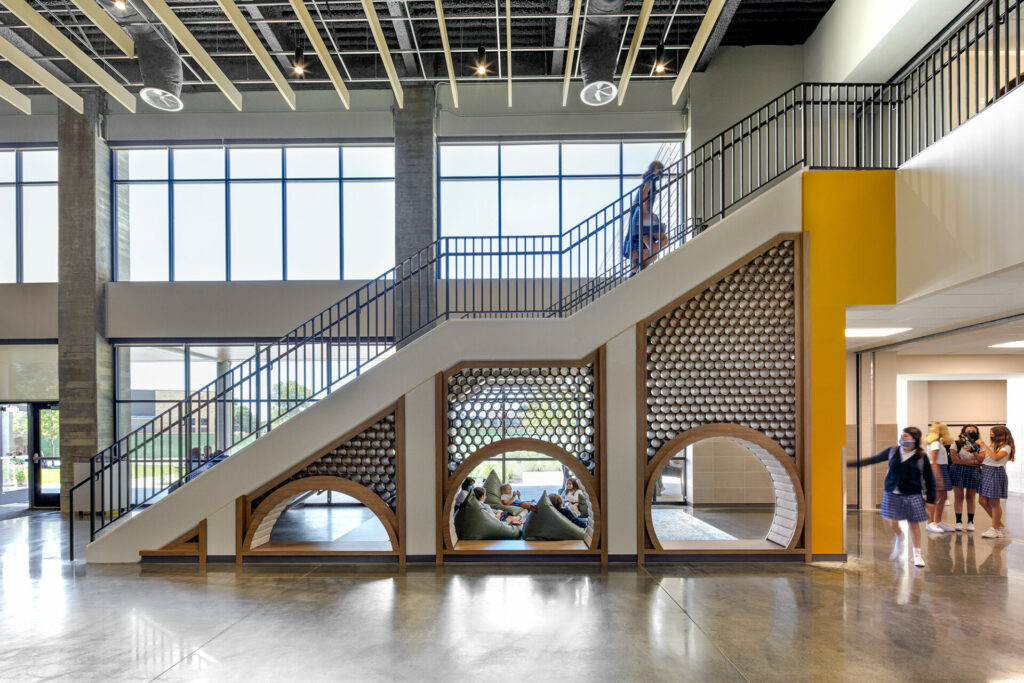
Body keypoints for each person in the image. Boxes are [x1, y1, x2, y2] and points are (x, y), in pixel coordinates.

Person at [848, 427, 936, 567]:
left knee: (913, 524)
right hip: (892, 492)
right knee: (890, 520)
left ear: (914, 439)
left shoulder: (921, 456)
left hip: (912, 493)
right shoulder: (893, 451)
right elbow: (873, 459)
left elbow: (930, 478)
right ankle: (899, 536)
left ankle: (917, 554)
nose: (902, 438)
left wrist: (931, 500)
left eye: (906, 436)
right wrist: (850, 464)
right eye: (902, 435)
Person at [622, 161, 666, 276]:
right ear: (654, 169)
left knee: (653, 250)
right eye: (659, 168)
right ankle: (642, 262)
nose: (661, 171)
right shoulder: (650, 179)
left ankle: (635, 271)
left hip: (639, 216)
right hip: (644, 215)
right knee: (663, 240)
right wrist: (647, 209)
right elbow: (644, 193)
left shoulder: (648, 179)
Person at [977, 425, 1015, 538]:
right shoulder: (993, 445)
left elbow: (996, 458)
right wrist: (976, 451)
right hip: (986, 471)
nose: (991, 435)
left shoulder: (1006, 447)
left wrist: (984, 445)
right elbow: (984, 458)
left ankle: (995, 528)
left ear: (1000, 434)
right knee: (982, 501)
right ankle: (1000, 526)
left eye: (993, 433)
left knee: (994, 502)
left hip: (995, 472)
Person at [949, 425, 983, 531]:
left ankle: (970, 522)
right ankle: (958, 521)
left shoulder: (980, 445)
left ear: (977, 432)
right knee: (958, 497)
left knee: (970, 497)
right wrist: (972, 462)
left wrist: (973, 454)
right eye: (968, 430)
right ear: (963, 432)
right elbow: (955, 460)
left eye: (973, 430)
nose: (971, 432)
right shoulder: (956, 444)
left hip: (973, 472)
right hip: (957, 471)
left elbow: (980, 460)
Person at [924, 422, 955, 534]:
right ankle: (929, 522)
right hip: (937, 470)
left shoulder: (938, 443)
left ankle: (938, 521)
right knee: (935, 497)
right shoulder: (935, 444)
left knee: (943, 496)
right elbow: (934, 461)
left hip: (941, 469)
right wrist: (939, 477)